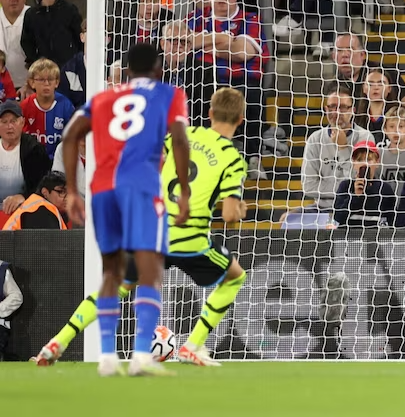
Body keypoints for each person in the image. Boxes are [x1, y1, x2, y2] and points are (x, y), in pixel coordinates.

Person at [33, 88, 249, 368]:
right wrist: (239, 207)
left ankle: (57, 342)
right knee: (234, 277)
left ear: (209, 113)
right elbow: (230, 214)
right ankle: (192, 346)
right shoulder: (232, 158)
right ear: (241, 119)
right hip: (188, 239)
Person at [59, 42, 191, 377]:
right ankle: (141, 355)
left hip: (102, 189)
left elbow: (71, 135)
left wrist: (72, 190)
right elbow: (178, 138)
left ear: (127, 70)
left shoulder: (103, 98)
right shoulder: (169, 93)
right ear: (158, 68)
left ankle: (106, 356)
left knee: (111, 272)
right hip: (142, 187)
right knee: (149, 269)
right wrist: (185, 191)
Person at [2, 170, 68, 230]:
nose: (67, 198)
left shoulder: (38, 205)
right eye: (61, 192)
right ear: (45, 192)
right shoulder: (41, 211)